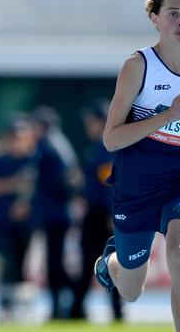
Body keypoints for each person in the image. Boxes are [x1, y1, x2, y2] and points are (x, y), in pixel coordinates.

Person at [94, 0, 180, 332]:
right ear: (155, 18)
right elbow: (111, 139)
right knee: (131, 289)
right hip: (137, 186)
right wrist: (167, 117)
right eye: (172, 13)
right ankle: (112, 262)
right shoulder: (138, 66)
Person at [0, 114, 38, 319]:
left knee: (22, 264)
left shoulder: (34, 159)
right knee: (7, 263)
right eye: (12, 136)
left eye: (20, 136)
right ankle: (5, 307)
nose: (16, 140)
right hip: (0, 222)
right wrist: (13, 184)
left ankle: (19, 306)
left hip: (26, 223)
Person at [70, 101, 123, 320]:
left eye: (91, 122)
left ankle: (112, 311)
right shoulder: (99, 146)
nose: (88, 126)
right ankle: (78, 310)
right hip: (97, 213)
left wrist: (113, 215)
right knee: (94, 263)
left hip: (102, 215)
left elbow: (110, 185)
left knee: (106, 262)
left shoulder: (106, 147)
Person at [30, 106, 80, 320]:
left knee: (54, 264)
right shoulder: (59, 143)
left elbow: (64, 181)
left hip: (55, 214)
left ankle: (60, 307)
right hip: (59, 212)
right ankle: (67, 302)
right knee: (56, 262)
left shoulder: (49, 145)